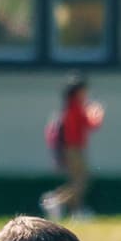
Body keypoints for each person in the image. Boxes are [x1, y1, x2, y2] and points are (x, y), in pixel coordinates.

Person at [44, 76, 101, 221]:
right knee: (81, 182)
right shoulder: (76, 107)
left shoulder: (69, 107)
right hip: (74, 149)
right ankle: (57, 201)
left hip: (70, 149)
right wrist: (96, 113)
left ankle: (72, 209)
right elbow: (92, 124)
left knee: (78, 181)